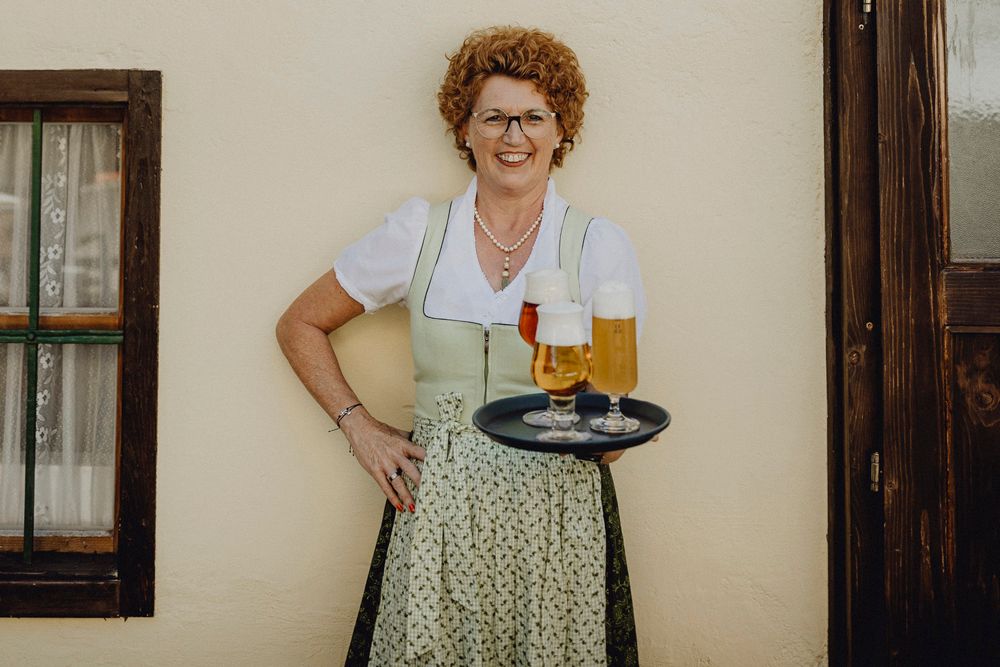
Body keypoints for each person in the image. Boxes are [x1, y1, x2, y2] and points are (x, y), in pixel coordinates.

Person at [276, 26, 647, 666]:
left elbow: (606, 410)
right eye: (495, 117)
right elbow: (299, 324)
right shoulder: (420, 230)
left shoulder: (598, 243)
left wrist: (609, 434)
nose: (513, 136)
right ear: (465, 128)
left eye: (534, 117)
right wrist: (359, 427)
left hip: (555, 507)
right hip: (439, 502)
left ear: (561, 131)